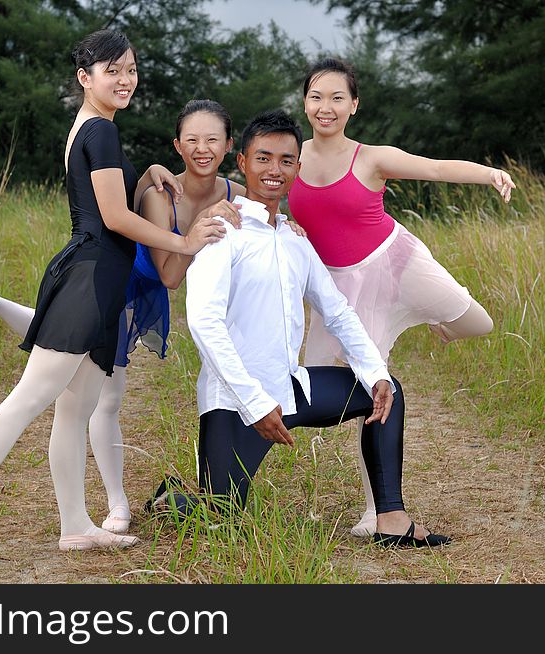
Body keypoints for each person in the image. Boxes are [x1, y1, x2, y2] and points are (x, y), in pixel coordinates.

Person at [0, 30, 226, 564]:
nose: (125, 79)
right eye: (112, 70)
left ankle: (75, 525)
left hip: (99, 278)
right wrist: (184, 240)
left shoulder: (96, 129)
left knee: (75, 408)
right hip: (90, 277)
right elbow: (113, 218)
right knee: (32, 396)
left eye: (131, 69)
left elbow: (109, 198)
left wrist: (151, 172)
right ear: (84, 78)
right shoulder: (101, 132)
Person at [151, 109, 449, 548]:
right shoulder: (220, 232)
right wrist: (254, 404)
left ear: (298, 168)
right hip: (234, 402)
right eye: (264, 158)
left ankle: (391, 518)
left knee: (386, 391)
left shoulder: (295, 240)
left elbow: (338, 311)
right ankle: (170, 500)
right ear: (243, 164)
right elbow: (204, 323)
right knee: (222, 521)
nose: (275, 170)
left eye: (286, 160)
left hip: (290, 388)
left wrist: (375, 371)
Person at [286, 58, 516, 538]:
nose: (325, 107)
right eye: (315, 96)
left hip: (393, 263)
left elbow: (433, 167)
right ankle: (378, 513)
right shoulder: (292, 156)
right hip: (337, 290)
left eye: (336, 98)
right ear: (304, 102)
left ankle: (426, 318)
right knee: (365, 393)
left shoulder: (371, 158)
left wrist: (489, 173)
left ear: (354, 105)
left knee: (479, 323)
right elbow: (249, 185)